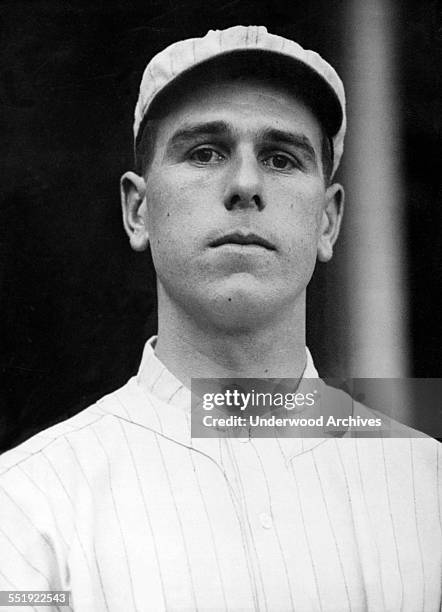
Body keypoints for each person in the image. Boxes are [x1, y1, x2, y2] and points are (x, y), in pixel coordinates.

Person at [0, 25, 440, 612]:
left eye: (282, 158)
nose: (246, 185)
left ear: (329, 221)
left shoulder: (427, 487)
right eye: (204, 152)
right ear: (138, 210)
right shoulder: (30, 506)